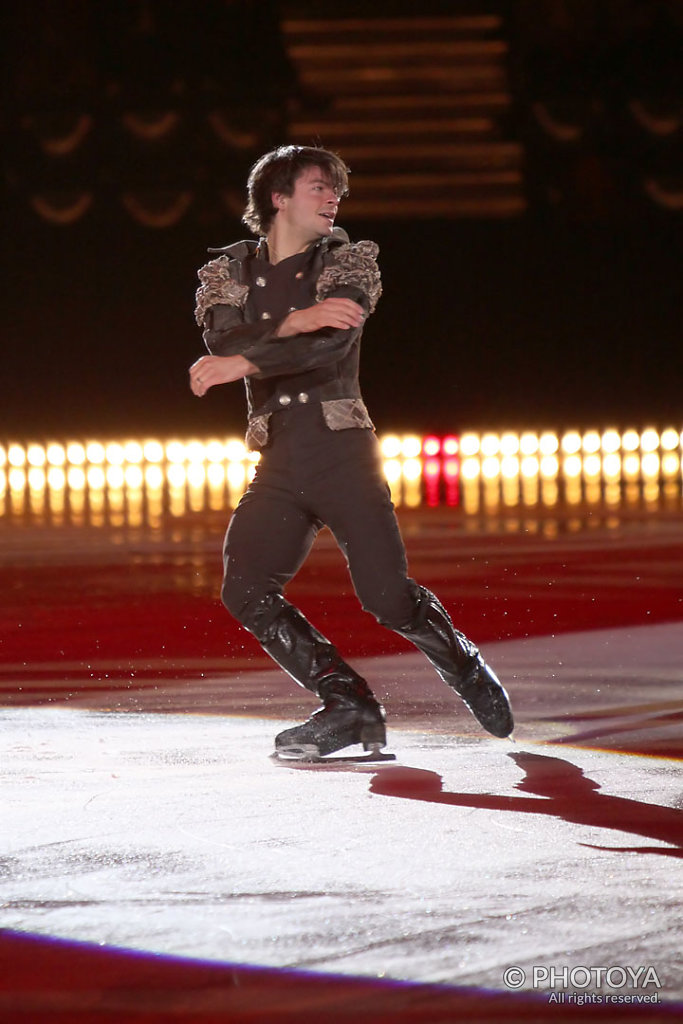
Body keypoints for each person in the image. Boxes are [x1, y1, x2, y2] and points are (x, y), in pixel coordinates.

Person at [190, 144, 513, 760]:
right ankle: (347, 703)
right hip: (280, 460)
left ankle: (464, 665)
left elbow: (329, 348)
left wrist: (251, 356)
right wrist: (289, 323)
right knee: (245, 589)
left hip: (342, 453)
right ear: (278, 197)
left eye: (336, 188)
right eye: (318, 187)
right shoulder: (225, 271)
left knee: (387, 598)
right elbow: (222, 337)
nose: (333, 197)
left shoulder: (348, 260)